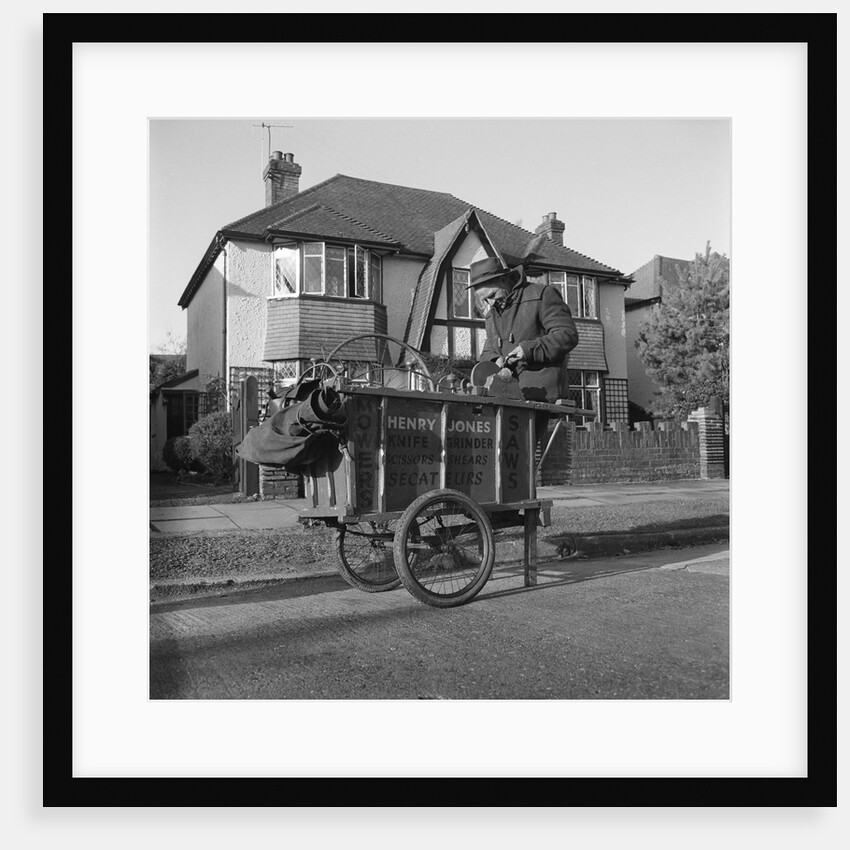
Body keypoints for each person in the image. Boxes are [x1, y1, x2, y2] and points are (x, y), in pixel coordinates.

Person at [467, 255, 578, 441]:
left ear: (505, 280)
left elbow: (567, 335)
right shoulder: (492, 316)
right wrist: (495, 359)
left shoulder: (542, 295)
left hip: (540, 399)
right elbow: (488, 349)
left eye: (493, 296)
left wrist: (528, 350)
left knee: (526, 463)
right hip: (507, 400)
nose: (491, 304)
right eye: (485, 300)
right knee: (508, 462)